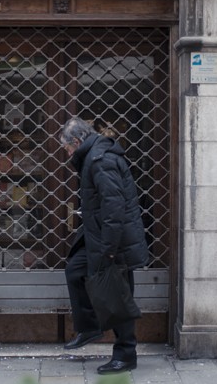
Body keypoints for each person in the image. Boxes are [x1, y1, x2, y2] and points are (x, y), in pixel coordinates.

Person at [59, 116, 147, 375]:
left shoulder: (100, 160)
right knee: (75, 270)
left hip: (113, 240)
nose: (67, 154)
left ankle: (125, 355)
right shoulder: (93, 156)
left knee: (119, 296)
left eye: (67, 148)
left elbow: (114, 207)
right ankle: (89, 328)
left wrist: (109, 249)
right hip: (99, 237)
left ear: (76, 142)